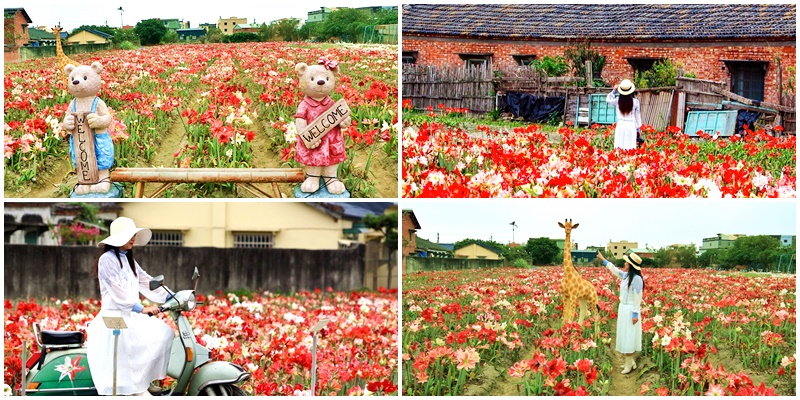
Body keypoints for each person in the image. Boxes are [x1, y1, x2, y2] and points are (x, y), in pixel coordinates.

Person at [86, 217, 174, 396]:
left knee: (165, 334)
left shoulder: (128, 260)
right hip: (115, 318)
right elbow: (117, 294)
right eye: (129, 236)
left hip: (130, 315)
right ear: (117, 238)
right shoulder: (107, 260)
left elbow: (147, 281)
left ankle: (142, 382)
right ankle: (132, 389)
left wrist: (172, 296)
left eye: (134, 235)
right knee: (123, 361)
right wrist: (142, 309)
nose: (133, 239)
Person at [596, 250, 644, 374]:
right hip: (623, 308)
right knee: (624, 334)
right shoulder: (626, 275)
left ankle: (628, 364)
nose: (624, 263)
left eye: (627, 262)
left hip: (631, 310)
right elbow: (614, 270)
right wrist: (603, 259)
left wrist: (635, 314)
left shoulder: (637, 279)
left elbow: (638, 298)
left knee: (629, 336)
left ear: (631, 265)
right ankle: (630, 362)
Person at [606, 79, 643, 150]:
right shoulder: (635, 102)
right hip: (631, 126)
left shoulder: (617, 100)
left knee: (619, 147)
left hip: (621, 125)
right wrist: (638, 130)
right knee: (630, 148)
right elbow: (637, 118)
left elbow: (608, 99)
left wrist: (614, 91)